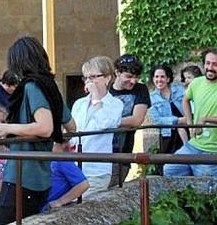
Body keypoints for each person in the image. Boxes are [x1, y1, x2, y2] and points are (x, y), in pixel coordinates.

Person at [0, 36, 74, 224]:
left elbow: (45, 127)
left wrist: (6, 127)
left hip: (22, 176)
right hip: (40, 178)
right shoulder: (51, 86)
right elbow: (71, 125)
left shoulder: (33, 86)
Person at [163, 48, 217, 177]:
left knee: (205, 183)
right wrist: (190, 123)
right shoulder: (196, 83)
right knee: (170, 169)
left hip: (215, 148)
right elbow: (185, 100)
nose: (210, 67)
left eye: (215, 64)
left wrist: (205, 119)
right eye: (208, 63)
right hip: (194, 145)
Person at [70, 56, 123, 197]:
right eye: (86, 78)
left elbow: (103, 124)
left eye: (93, 77)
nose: (89, 81)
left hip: (97, 169)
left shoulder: (115, 104)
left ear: (107, 78)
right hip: (74, 168)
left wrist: (95, 97)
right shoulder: (79, 104)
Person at [108, 54, 150, 186]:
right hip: (100, 151)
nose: (133, 81)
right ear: (117, 73)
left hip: (123, 153)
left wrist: (107, 122)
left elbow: (137, 120)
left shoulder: (140, 89)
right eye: (129, 76)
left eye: (136, 77)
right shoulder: (105, 89)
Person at [148, 64, 187, 154]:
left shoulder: (180, 90)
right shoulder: (151, 97)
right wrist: (178, 120)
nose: (159, 80)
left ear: (168, 79)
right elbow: (157, 120)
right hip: (167, 135)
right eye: (156, 77)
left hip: (185, 132)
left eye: (162, 77)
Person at [43, 141, 89, 211]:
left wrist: (60, 201)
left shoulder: (62, 160)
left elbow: (83, 184)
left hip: (46, 207)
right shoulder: (48, 159)